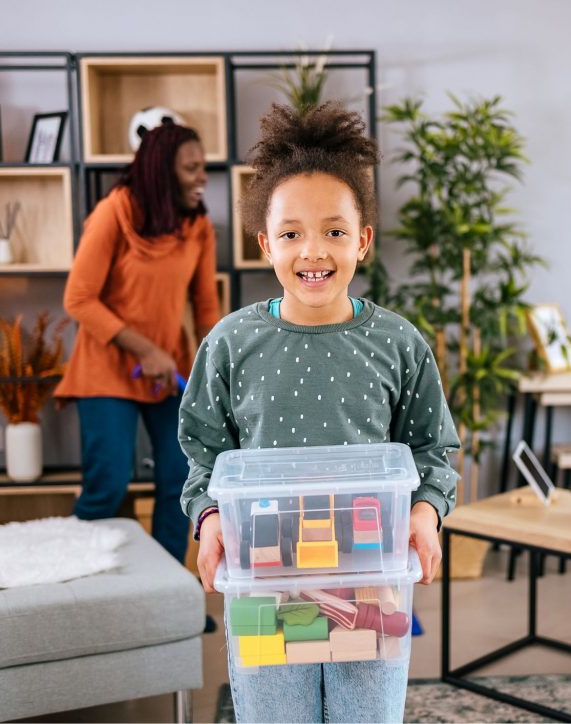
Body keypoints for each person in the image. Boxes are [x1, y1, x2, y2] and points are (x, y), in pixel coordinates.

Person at [179, 102, 459, 723]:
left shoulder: (399, 343)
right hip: (263, 576)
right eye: (291, 233)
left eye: (334, 231)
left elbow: (432, 448)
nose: (314, 250)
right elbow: (203, 453)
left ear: (362, 240)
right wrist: (209, 517)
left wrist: (424, 511)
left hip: (371, 574)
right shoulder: (228, 344)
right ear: (264, 244)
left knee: (366, 716)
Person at [55, 119, 220, 563]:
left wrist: (218, 371)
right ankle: (84, 596)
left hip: (171, 372)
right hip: (108, 369)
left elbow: (206, 307)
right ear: (160, 171)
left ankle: (167, 600)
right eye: (191, 168)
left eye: (202, 167)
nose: (203, 177)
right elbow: (79, 299)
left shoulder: (197, 226)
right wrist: (145, 350)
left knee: (179, 481)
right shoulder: (115, 212)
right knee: (106, 484)